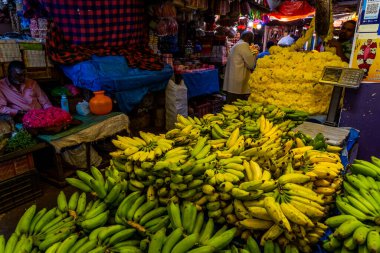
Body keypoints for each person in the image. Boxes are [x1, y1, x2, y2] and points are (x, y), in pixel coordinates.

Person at [223, 30, 257, 104]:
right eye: (252, 38)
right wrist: (254, 51)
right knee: (235, 105)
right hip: (238, 83)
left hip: (233, 81)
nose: (252, 40)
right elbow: (251, 64)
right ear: (247, 37)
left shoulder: (237, 45)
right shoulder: (244, 45)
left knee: (230, 103)